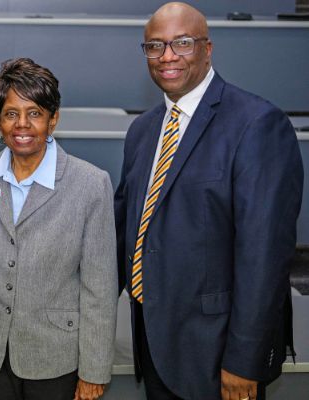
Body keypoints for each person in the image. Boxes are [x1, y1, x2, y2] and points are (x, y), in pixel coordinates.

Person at [114, 3, 303, 399]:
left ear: (208, 48)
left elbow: (264, 256)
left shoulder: (256, 124)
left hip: (218, 354)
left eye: (182, 43)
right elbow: (126, 232)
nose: (167, 56)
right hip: (154, 345)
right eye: (155, 46)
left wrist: (243, 359)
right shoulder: (142, 131)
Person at [0, 58, 118, 400]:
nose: (22, 124)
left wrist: (95, 368)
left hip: (56, 356)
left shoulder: (91, 184)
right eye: (10, 113)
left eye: (35, 113)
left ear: (54, 119)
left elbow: (99, 286)